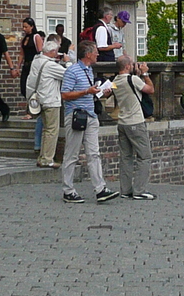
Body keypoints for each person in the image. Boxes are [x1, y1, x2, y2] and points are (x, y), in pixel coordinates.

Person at [59, 42, 120, 204]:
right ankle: (68, 190)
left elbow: (88, 94)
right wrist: (87, 91)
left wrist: (100, 92)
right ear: (87, 54)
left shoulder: (88, 70)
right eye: (95, 52)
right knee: (72, 154)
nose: (97, 54)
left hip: (91, 115)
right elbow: (65, 94)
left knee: (94, 153)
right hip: (76, 115)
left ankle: (100, 189)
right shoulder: (72, 70)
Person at [110, 55, 156, 200]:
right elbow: (150, 89)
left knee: (126, 157)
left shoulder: (115, 81)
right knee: (145, 156)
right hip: (135, 122)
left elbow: (122, 90)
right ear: (128, 66)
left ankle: (125, 190)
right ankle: (139, 190)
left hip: (122, 122)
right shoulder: (133, 80)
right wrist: (145, 73)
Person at [25, 41, 67, 167]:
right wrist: (68, 61)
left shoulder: (36, 61)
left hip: (39, 99)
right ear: (53, 52)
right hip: (50, 100)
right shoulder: (50, 65)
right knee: (52, 131)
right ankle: (47, 159)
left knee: (45, 130)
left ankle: (42, 156)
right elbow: (68, 74)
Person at [15, 17, 44, 99]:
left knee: (32, 87)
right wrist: (18, 67)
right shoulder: (24, 39)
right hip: (26, 65)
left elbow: (40, 52)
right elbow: (21, 54)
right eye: (23, 27)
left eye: (26, 27)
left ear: (32, 27)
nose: (24, 29)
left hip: (34, 65)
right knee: (23, 87)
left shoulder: (36, 37)